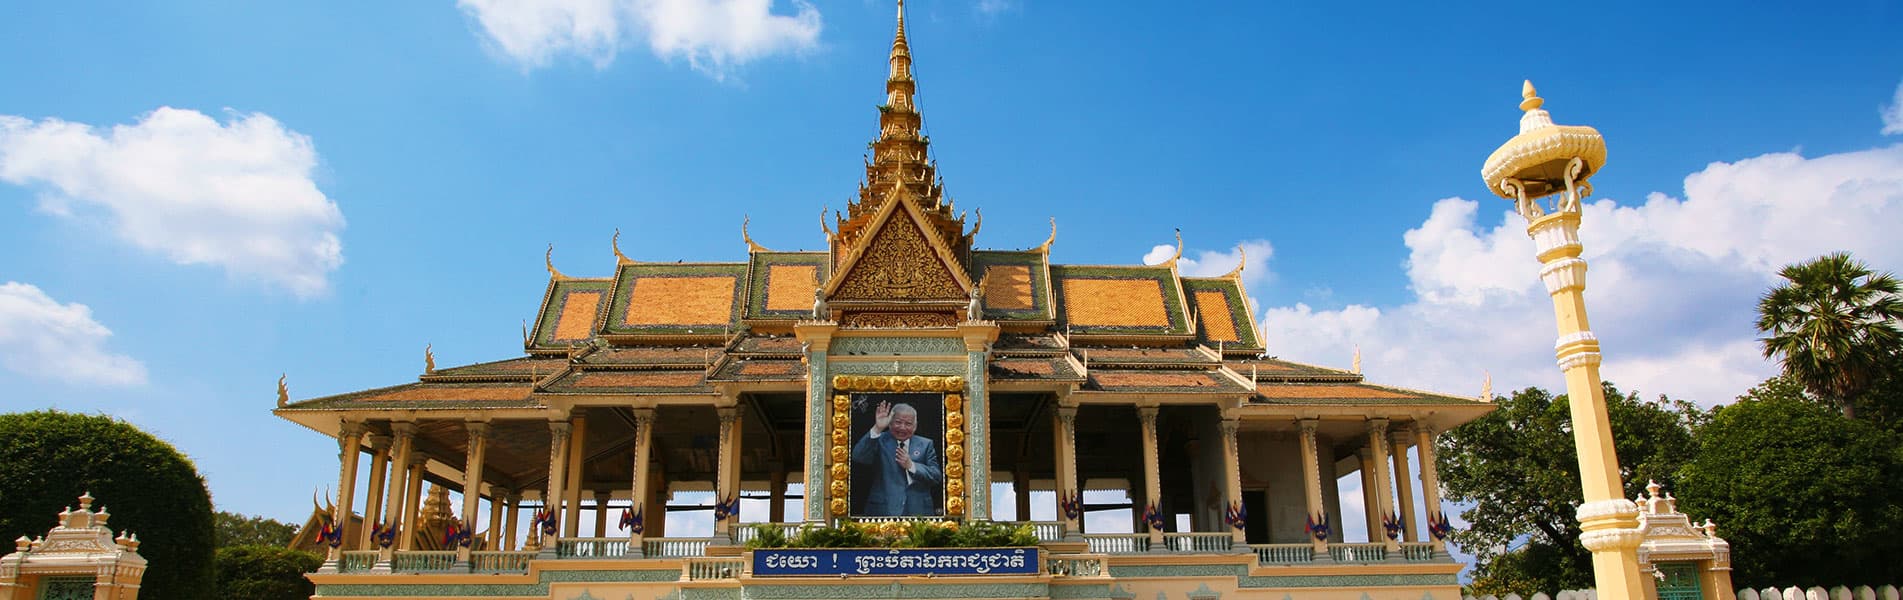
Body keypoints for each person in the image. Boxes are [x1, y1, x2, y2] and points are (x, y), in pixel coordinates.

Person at [851, 400, 942, 516]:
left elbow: (936, 476)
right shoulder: (879, 440)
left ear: (915, 426)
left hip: (918, 511)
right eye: (898, 422)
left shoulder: (926, 444)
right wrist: (877, 429)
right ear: (889, 423)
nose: (902, 428)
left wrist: (911, 466)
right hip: (883, 510)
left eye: (908, 424)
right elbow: (858, 457)